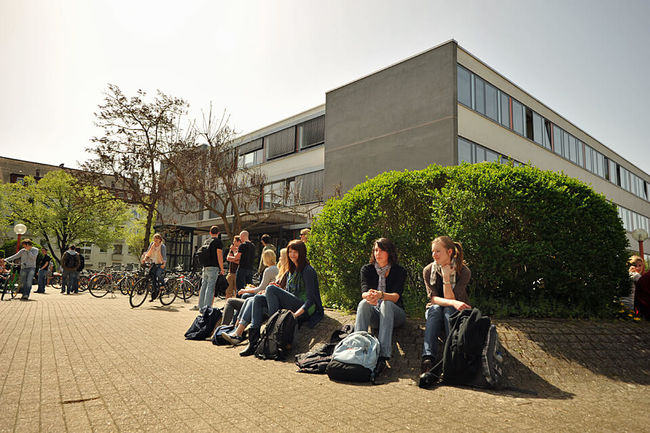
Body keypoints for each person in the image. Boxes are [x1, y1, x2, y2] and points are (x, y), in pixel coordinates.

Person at [354, 238, 407, 375]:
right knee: (363, 303)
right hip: (375, 313)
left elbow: (395, 297)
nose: (378, 253)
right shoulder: (367, 269)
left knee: (386, 303)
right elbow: (364, 291)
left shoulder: (399, 271)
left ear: (389, 252)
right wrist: (370, 296)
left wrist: (381, 295)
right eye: (376, 250)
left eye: (382, 250)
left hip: (395, 314)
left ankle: (382, 357)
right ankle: (357, 349)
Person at [421, 236, 471, 374]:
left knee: (448, 309)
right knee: (435, 309)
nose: (434, 255)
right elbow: (434, 299)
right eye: (433, 251)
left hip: (456, 312)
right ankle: (427, 359)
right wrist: (453, 302)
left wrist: (446, 277)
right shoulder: (428, 271)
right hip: (436, 310)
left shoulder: (464, 271)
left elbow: (451, 298)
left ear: (449, 252)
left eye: (438, 251)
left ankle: (453, 356)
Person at [222, 248, 288, 346]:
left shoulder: (271, 270)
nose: (279, 258)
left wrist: (246, 290)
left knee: (243, 298)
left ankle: (233, 329)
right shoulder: (279, 270)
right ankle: (237, 330)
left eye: (281, 256)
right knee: (248, 298)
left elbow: (267, 289)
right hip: (268, 298)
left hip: (271, 304)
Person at [192, 226, 225, 311]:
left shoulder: (206, 241)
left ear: (210, 233)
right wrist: (222, 268)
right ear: (218, 233)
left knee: (203, 286)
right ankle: (207, 308)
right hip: (213, 267)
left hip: (205, 267)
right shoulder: (218, 242)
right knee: (210, 287)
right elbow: (219, 255)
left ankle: (201, 306)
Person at [141, 233, 167, 302]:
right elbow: (148, 252)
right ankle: (154, 294)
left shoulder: (162, 246)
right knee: (152, 278)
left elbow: (164, 256)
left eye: (157, 238)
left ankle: (163, 285)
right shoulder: (152, 244)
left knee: (158, 274)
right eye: (154, 238)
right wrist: (144, 259)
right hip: (154, 263)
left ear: (160, 239)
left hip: (160, 263)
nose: (155, 239)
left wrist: (164, 264)